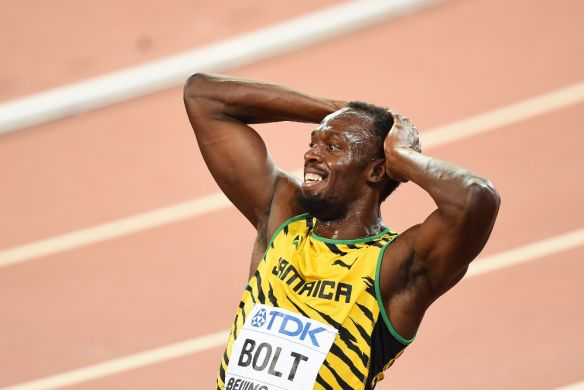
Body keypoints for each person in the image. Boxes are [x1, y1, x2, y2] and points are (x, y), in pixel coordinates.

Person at [184, 73, 500, 390]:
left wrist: (403, 156)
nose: (311, 154)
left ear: (376, 170)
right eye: (313, 143)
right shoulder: (285, 222)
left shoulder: (393, 264)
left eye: (333, 147)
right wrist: (339, 110)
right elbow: (203, 96)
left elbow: (476, 199)